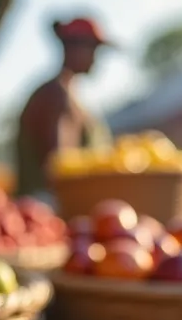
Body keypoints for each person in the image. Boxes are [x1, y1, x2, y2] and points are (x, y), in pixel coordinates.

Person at [15, 17, 114, 197]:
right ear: (74, 48)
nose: (95, 59)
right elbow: (62, 166)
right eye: (93, 50)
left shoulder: (70, 94)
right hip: (48, 206)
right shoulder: (56, 95)